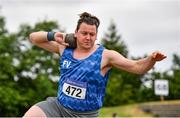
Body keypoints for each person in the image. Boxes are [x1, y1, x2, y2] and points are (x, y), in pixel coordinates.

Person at [24, 12, 166, 117]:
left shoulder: (106, 56)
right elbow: (34, 38)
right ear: (76, 33)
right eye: (84, 33)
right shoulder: (64, 48)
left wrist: (151, 59)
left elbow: (137, 67)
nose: (88, 37)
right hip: (58, 107)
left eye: (92, 34)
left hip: (85, 115)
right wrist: (53, 35)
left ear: (96, 35)